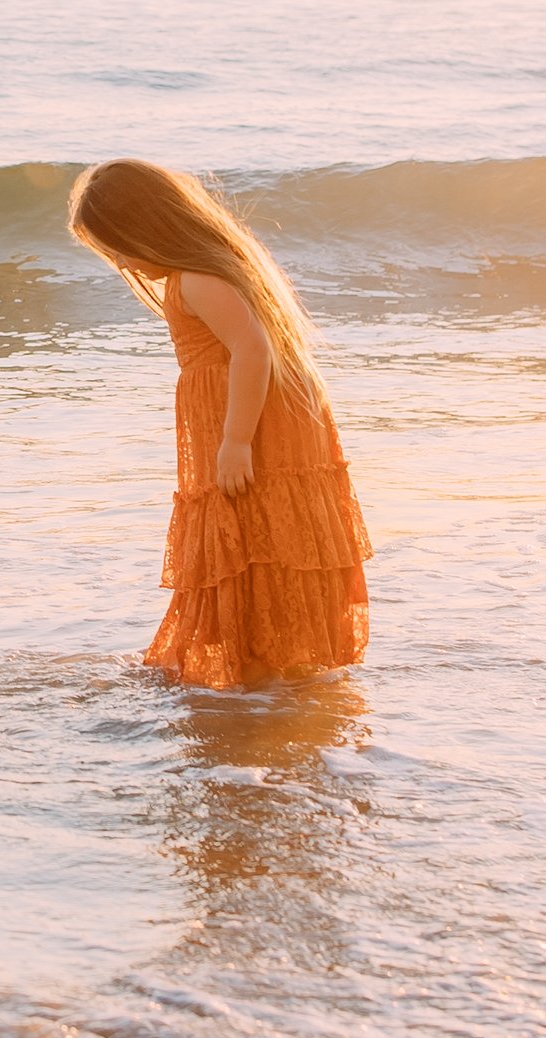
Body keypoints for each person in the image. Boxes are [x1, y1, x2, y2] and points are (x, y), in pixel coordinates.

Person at [67, 156, 369, 692]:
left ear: (148, 228)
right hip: (252, 412)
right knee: (255, 532)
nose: (119, 260)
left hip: (253, 420)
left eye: (117, 246)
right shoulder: (197, 272)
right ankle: (269, 661)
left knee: (254, 527)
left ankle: (265, 666)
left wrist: (234, 441)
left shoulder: (196, 277)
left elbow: (251, 348)